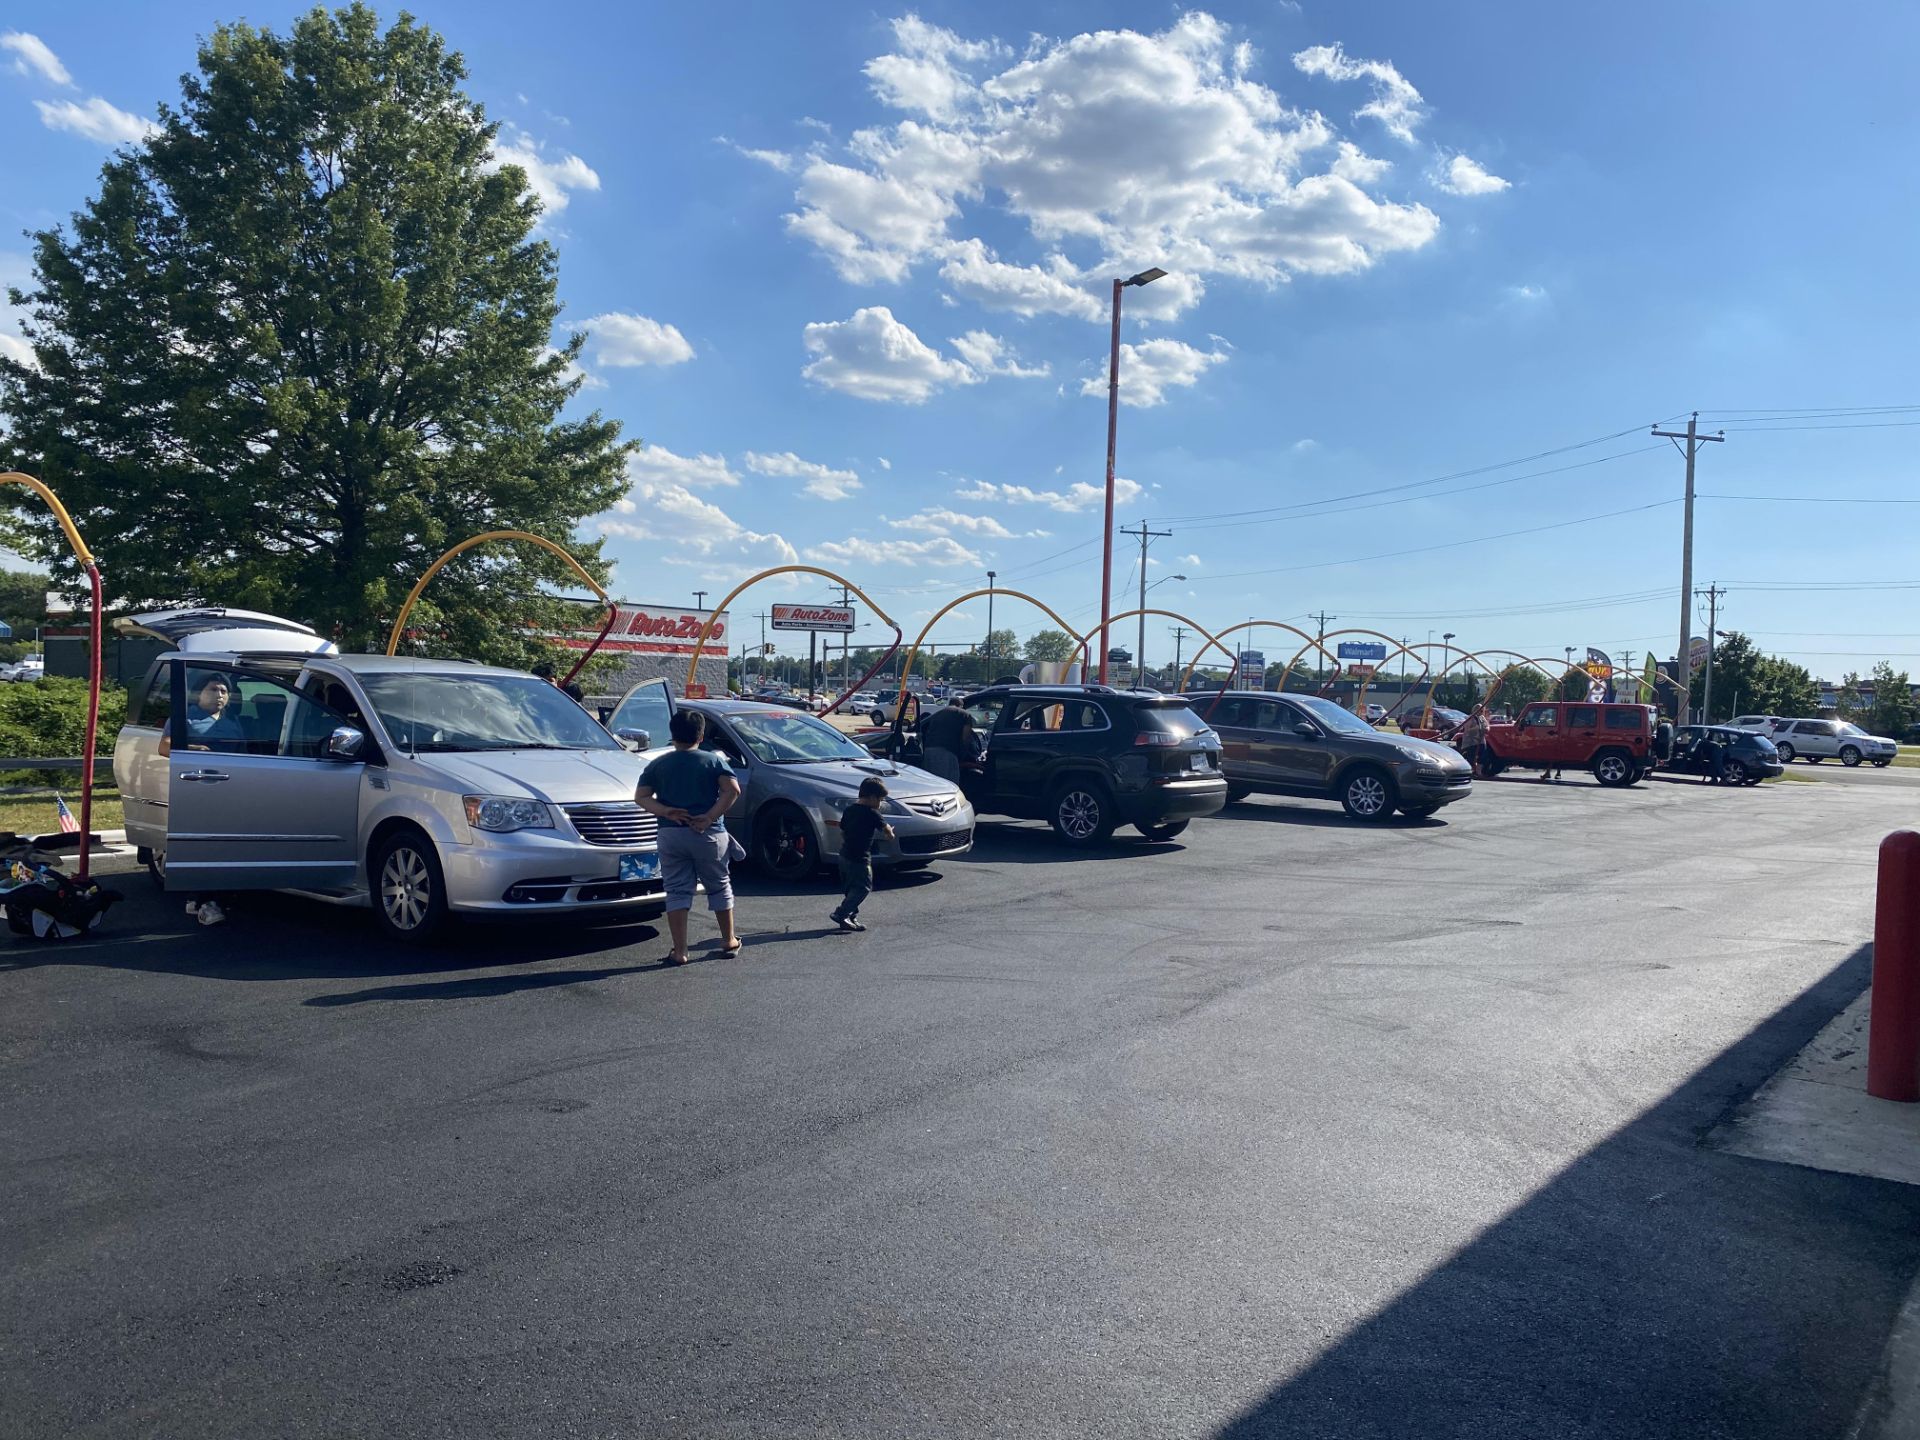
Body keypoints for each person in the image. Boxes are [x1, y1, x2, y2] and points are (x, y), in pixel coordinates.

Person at [635, 710, 742, 965]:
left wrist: (666, 811)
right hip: (708, 833)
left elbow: (641, 797)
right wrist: (709, 816)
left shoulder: (658, 764)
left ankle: (680, 950)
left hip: (671, 833)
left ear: (672, 735)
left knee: (676, 890)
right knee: (719, 884)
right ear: (701, 735)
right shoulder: (713, 761)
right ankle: (728, 939)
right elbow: (732, 791)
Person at [830, 777, 894, 933]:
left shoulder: (849, 810)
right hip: (860, 858)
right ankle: (841, 913)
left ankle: (850, 917)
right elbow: (886, 830)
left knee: (851, 888)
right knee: (863, 888)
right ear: (872, 798)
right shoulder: (873, 813)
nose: (880, 804)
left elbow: (843, 831)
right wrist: (890, 834)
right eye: (880, 800)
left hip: (844, 856)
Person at [917, 697, 974, 782]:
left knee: (932, 784)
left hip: (929, 752)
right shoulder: (965, 715)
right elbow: (966, 737)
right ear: (961, 705)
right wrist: (966, 753)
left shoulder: (937, 714)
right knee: (949, 785)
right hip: (946, 753)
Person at [185, 674, 245, 748]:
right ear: (199, 693)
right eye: (213, 690)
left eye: (223, 691)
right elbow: (167, 744)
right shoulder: (185, 716)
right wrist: (193, 748)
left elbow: (242, 749)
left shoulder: (233, 719)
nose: (219, 695)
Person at [1458, 705, 1490, 777]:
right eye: (1480, 711)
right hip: (1470, 742)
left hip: (1481, 740)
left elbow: (1487, 725)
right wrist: (1477, 728)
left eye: (1483, 711)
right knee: (1471, 757)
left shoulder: (1482, 718)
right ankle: (1470, 772)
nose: (1482, 712)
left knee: (1483, 756)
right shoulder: (1470, 718)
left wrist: (1487, 728)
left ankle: (1479, 772)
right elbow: (1467, 729)